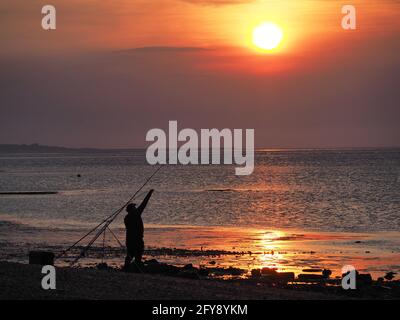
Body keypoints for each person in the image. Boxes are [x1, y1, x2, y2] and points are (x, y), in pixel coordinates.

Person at [123, 189, 154, 270]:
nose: (135, 208)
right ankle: (135, 270)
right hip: (137, 240)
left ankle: (126, 269)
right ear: (132, 209)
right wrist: (149, 194)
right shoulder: (136, 214)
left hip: (129, 240)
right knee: (137, 256)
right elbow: (144, 204)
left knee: (130, 255)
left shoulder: (126, 218)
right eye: (134, 207)